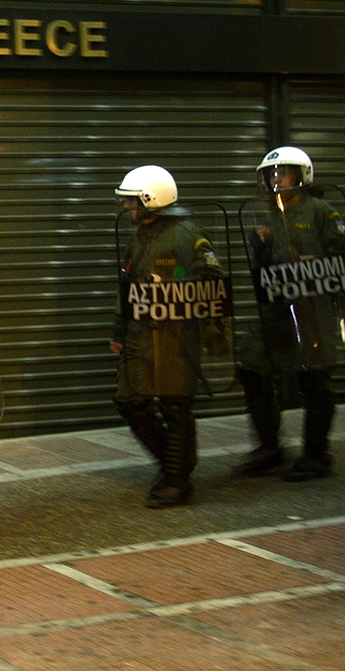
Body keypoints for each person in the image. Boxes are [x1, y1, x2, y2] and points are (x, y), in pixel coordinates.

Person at [110, 165, 225, 508]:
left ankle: (177, 480)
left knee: (175, 405)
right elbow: (127, 287)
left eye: (133, 203)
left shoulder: (188, 234)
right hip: (140, 334)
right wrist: (119, 329)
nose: (128, 209)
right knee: (129, 400)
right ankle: (175, 463)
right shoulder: (138, 238)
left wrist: (175, 288)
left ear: (152, 200)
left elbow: (213, 282)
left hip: (177, 334)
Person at [234, 146, 345, 481]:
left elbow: (342, 255)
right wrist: (261, 252)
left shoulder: (320, 211)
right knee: (250, 367)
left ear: (301, 175)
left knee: (315, 381)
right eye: (272, 174)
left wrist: (320, 266)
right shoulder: (271, 216)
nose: (276, 179)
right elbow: (264, 272)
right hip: (277, 312)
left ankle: (316, 455)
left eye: (282, 172)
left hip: (313, 310)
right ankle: (269, 448)